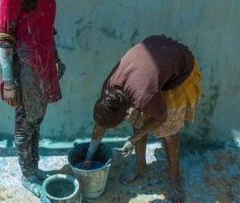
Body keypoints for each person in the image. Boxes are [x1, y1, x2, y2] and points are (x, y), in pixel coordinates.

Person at [83, 35, 202, 203]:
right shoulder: (109, 89)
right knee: (138, 121)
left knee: (168, 131)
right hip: (154, 63)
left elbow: (161, 117)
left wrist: (133, 140)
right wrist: (88, 158)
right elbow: (100, 125)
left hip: (180, 69)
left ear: (125, 114)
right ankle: (140, 165)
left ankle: (175, 179)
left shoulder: (143, 97)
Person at [0, 0, 66, 197]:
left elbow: (46, 28)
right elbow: (4, 39)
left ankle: (34, 168)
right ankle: (27, 175)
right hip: (24, 68)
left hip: (43, 64)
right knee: (26, 123)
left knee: (37, 119)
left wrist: (55, 57)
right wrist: (10, 83)